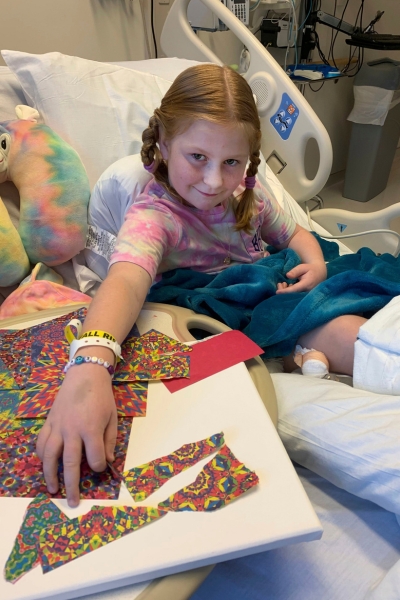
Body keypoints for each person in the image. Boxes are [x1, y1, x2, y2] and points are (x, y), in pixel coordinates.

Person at [37, 63, 327, 507]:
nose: (214, 181)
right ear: (166, 145)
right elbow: (127, 281)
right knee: (338, 332)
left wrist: (316, 264)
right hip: (228, 307)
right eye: (198, 158)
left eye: (231, 162)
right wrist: (89, 366)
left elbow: (295, 236)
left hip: (277, 287)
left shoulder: (250, 196)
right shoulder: (156, 216)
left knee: (348, 303)